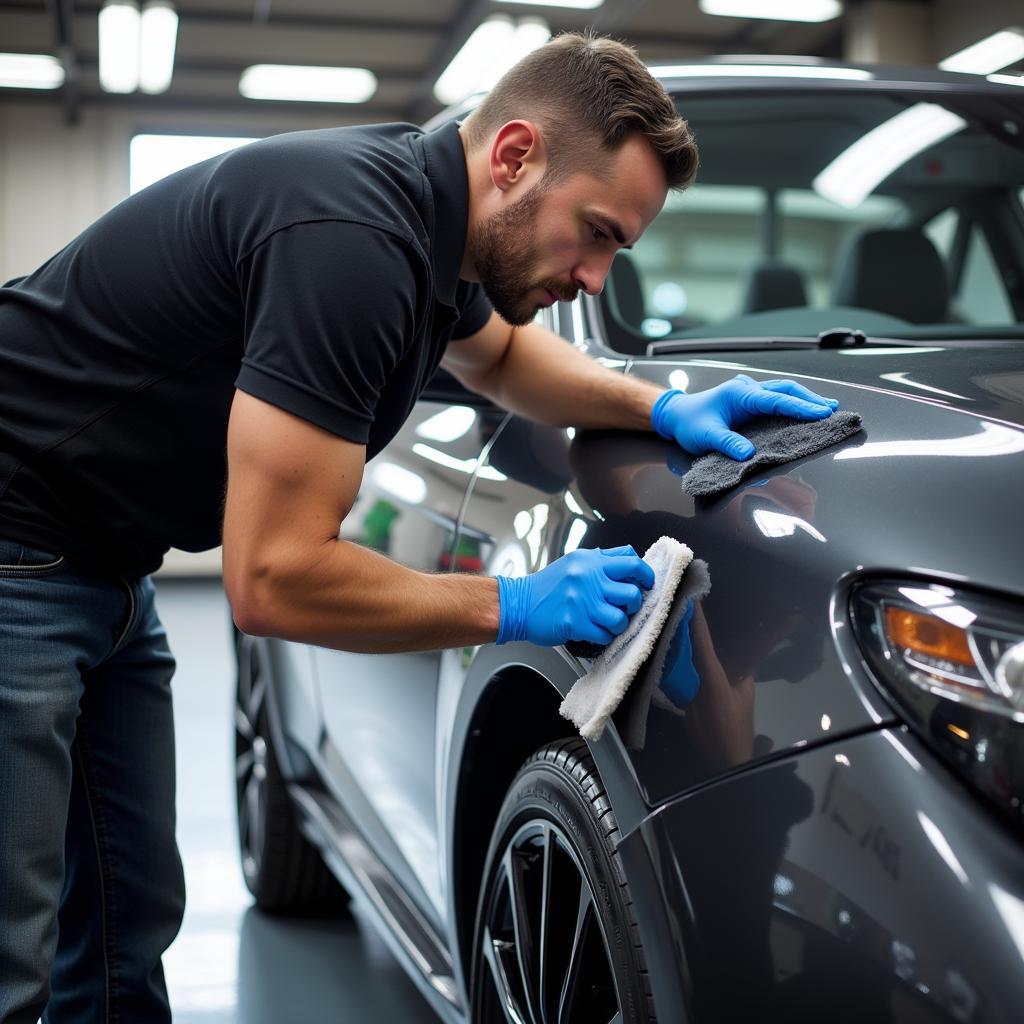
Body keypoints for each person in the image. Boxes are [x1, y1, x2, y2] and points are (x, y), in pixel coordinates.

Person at [0, 30, 839, 1022]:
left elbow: (499, 364)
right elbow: (270, 580)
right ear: (516, 155)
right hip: (17, 547)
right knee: (14, 947)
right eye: (599, 233)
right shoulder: (354, 243)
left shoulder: (430, 222)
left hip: (102, 555)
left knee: (122, 929)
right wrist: (516, 603)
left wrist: (654, 406)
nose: (595, 277)